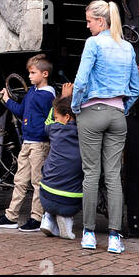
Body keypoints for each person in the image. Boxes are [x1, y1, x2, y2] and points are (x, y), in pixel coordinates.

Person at [71, 0, 139, 255]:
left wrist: (77, 106)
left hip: (91, 111)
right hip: (117, 114)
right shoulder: (127, 48)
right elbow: (136, 88)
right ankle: (114, 236)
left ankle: (89, 233)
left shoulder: (93, 43)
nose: (88, 26)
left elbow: (80, 81)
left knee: (91, 174)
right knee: (113, 176)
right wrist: (123, 107)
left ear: (101, 21)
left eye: (90, 21)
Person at [0, 55, 56, 231]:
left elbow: (52, 120)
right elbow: (21, 111)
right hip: (28, 142)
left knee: (37, 181)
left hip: (40, 144)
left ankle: (36, 217)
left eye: (33, 73)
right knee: (19, 180)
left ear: (45, 74)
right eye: (29, 73)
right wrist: (6, 100)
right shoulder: (32, 93)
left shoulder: (48, 96)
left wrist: (44, 135)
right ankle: (11, 216)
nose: (29, 76)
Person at [37, 94, 83, 239]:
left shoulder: (55, 129)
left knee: (47, 169)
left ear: (67, 117)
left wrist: (64, 96)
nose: (55, 120)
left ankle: (48, 217)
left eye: (57, 117)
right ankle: (66, 220)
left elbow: (47, 123)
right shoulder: (85, 134)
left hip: (46, 196)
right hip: (71, 202)